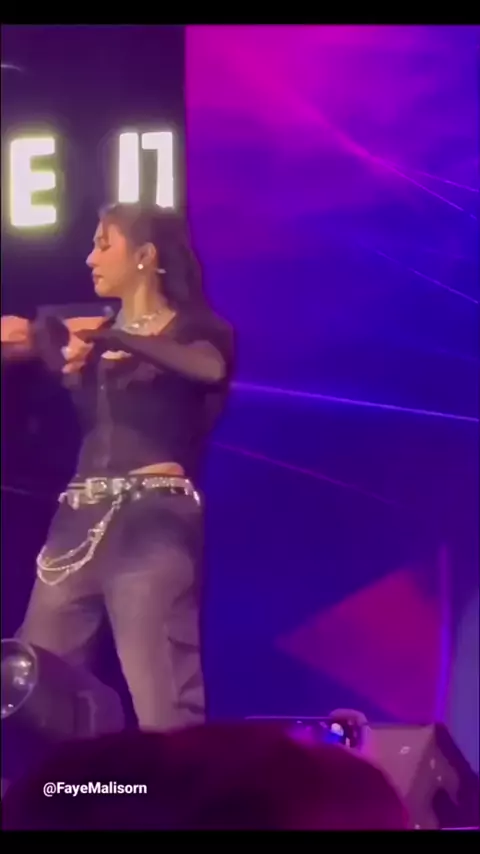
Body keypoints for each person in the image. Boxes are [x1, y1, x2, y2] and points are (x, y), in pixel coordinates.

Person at [0, 204, 234, 730]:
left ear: (145, 256)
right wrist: (42, 336)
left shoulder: (196, 329)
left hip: (152, 522)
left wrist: (118, 337)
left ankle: (176, 781)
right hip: (75, 526)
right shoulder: (88, 333)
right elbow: (23, 339)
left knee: (162, 699)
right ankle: (86, 765)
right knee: (33, 688)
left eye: (104, 244)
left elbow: (208, 367)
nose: (91, 258)